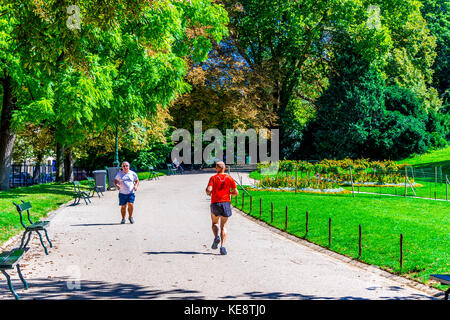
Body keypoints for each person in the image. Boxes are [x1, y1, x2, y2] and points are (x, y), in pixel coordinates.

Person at [205, 161, 238, 255]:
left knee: (215, 223)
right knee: (224, 226)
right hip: (225, 203)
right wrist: (229, 193)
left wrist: (209, 193)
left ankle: (216, 237)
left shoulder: (213, 178)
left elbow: (208, 190)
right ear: (224, 168)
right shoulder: (229, 178)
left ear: (217, 168)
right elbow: (236, 192)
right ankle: (223, 247)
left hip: (215, 203)